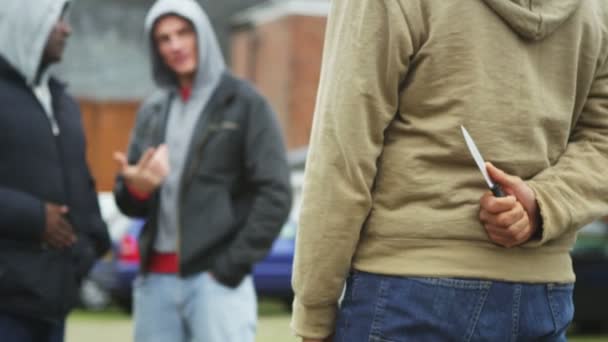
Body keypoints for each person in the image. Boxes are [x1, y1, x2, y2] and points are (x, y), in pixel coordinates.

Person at [291, 0, 608, 341]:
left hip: (407, 289)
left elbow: (343, 152)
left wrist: (313, 314)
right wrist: (542, 203)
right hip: (542, 296)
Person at [112, 0, 292, 341]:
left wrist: (230, 267)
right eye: (163, 39)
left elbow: (276, 193)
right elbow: (129, 202)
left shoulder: (245, 103)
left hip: (216, 283)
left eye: (183, 32)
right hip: (155, 284)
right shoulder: (152, 110)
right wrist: (137, 188)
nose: (175, 45)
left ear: (203, 34)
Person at [0, 1, 111, 341]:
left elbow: (80, 179)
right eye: (56, 20)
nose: (67, 29)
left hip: (53, 301)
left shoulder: (62, 100)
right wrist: (34, 216)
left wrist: (92, 242)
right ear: (26, 23)